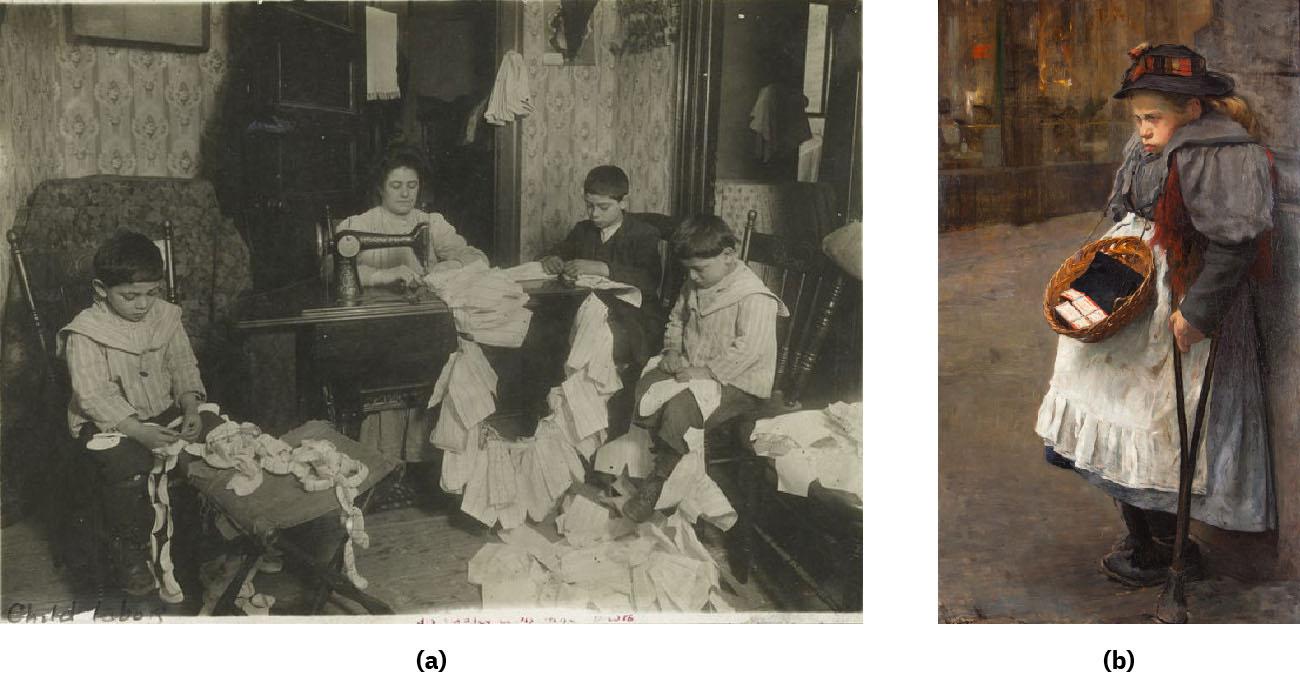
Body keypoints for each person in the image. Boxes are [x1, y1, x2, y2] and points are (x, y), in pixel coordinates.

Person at [1036, 44, 1276, 587]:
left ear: (1193, 111)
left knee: (1158, 414)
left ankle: (1164, 542)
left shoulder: (1220, 153)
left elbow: (1234, 246)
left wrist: (1197, 314)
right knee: (1098, 389)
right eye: (1139, 119)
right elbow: (1126, 212)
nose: (1143, 130)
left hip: (1178, 300)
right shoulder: (1148, 147)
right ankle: (1144, 532)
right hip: (1133, 285)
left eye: (1153, 119)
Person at [60, 231, 217, 596]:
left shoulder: (166, 317)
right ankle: (129, 551)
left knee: (214, 439)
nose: (143, 304)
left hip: (163, 410)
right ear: (102, 289)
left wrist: (191, 404)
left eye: (152, 293)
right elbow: (93, 395)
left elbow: (182, 364)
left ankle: (201, 537)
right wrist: (138, 431)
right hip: (108, 422)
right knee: (125, 467)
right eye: (130, 296)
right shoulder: (85, 331)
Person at [622, 214, 786, 522]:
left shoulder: (754, 297)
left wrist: (707, 372)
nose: (693, 277)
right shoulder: (695, 285)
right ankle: (654, 456)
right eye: (689, 270)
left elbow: (749, 350)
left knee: (680, 407)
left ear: (728, 256)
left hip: (738, 383)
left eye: (700, 269)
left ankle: (659, 481)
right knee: (648, 384)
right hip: (695, 366)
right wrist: (672, 349)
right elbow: (676, 320)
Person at [340, 145, 488, 464]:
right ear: (380, 187)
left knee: (437, 372)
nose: (406, 193)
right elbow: (334, 268)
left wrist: (451, 266)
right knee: (384, 378)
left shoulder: (431, 223)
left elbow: (475, 257)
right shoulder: (359, 224)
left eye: (412, 185)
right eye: (396, 186)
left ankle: (424, 462)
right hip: (374, 327)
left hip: (424, 326)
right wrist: (383, 275)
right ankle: (384, 461)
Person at [538, 165, 667, 435]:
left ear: (624, 202)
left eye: (603, 207)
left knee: (590, 339)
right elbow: (559, 251)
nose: (594, 214)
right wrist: (553, 258)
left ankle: (590, 423)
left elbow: (649, 279)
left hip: (635, 320)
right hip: (591, 311)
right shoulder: (583, 230)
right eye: (589, 206)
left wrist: (601, 268)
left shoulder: (643, 234)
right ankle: (564, 418)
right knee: (546, 330)